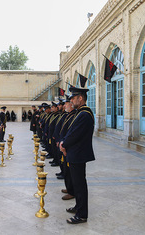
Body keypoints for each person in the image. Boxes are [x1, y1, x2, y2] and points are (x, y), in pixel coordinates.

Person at [59, 87, 95, 224]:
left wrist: (64, 144)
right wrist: (64, 142)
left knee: (80, 185)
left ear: (80, 98)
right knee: (77, 183)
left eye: (73, 98)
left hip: (78, 154)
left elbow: (75, 134)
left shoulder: (85, 114)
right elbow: (71, 131)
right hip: (75, 153)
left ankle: (82, 215)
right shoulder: (80, 113)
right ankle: (78, 207)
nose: (71, 101)